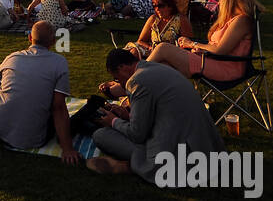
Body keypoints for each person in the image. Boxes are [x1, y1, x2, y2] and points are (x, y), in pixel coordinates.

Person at [85, 47, 227, 178]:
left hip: (181, 156)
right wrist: (127, 116)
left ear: (122, 68)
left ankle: (135, 165)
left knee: (101, 135)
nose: (119, 83)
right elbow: (160, 113)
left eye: (116, 78)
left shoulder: (136, 81)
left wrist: (113, 121)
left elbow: (137, 134)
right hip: (207, 147)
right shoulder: (156, 68)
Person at [0, 21, 76, 164]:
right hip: (33, 138)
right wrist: (67, 149)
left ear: (30, 38)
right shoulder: (59, 62)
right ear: (54, 41)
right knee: (56, 105)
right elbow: (59, 108)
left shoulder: (13, 57)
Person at [147, 0, 263, 82]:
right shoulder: (233, 20)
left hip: (225, 68)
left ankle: (133, 82)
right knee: (163, 65)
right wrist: (200, 48)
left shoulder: (242, 20)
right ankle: (160, 101)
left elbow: (220, 50)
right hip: (211, 61)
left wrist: (192, 44)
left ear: (230, 1)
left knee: (163, 48)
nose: (219, 3)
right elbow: (217, 47)